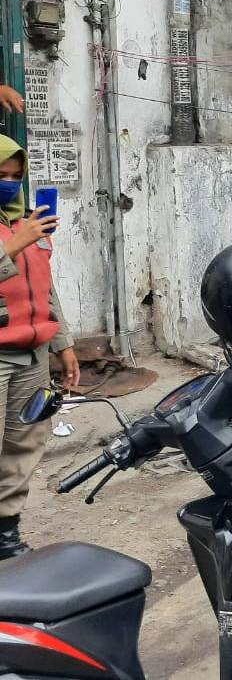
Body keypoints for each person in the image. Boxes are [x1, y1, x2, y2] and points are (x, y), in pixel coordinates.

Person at [0, 132, 79, 559]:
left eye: (15, 176)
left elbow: (45, 289)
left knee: (23, 445)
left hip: (31, 353)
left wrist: (62, 343)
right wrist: (14, 243)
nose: (9, 184)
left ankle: (5, 533)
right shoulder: (20, 232)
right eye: (0, 175)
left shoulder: (25, 222)